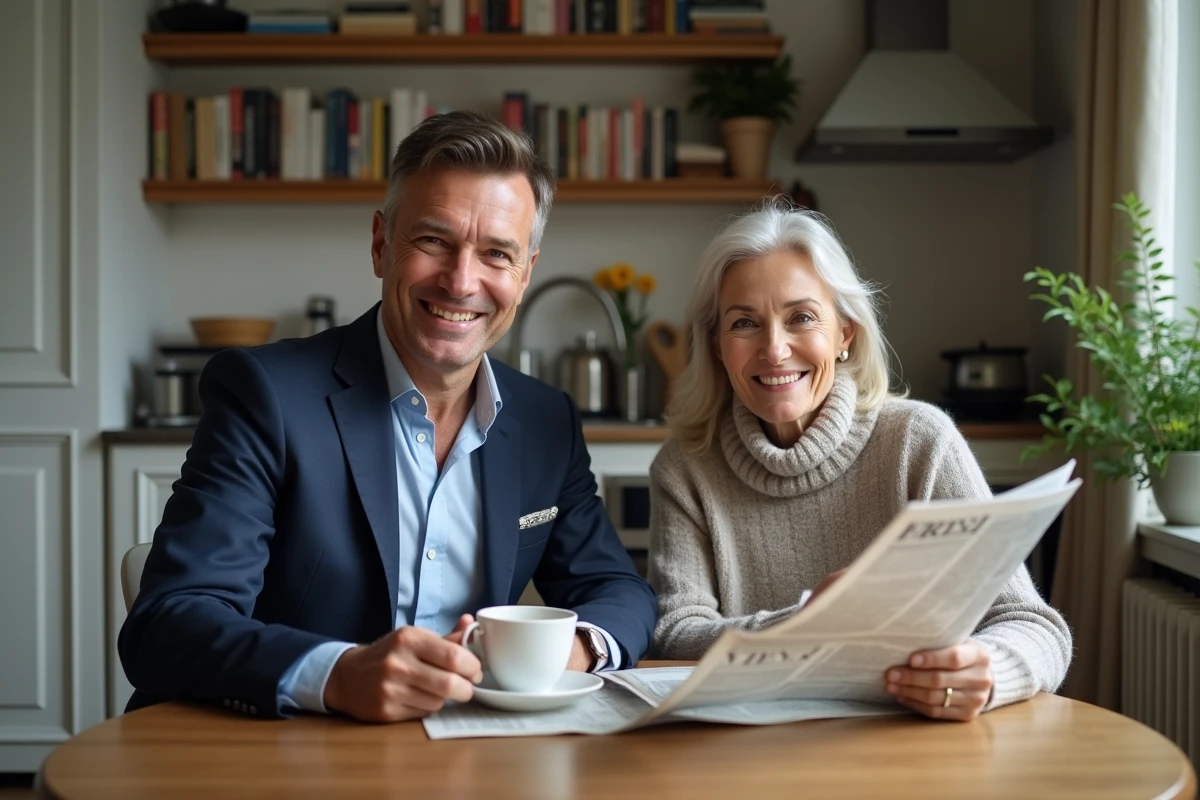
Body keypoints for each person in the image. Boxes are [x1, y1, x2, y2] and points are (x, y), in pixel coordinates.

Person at [119, 111, 656, 722]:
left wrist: (574, 650)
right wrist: (337, 674)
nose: (461, 281)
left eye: (496, 253)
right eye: (433, 241)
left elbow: (619, 592)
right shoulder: (265, 394)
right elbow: (169, 622)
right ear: (380, 244)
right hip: (283, 751)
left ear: (525, 273)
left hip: (472, 754)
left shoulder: (545, 419)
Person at [648, 201, 1071, 720]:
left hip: (912, 743)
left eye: (801, 317)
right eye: (744, 324)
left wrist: (989, 671)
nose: (775, 349)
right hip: (753, 752)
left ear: (845, 332)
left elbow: (1033, 624)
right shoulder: (686, 466)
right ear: (716, 344)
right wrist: (810, 621)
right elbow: (675, 633)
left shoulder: (919, 441)